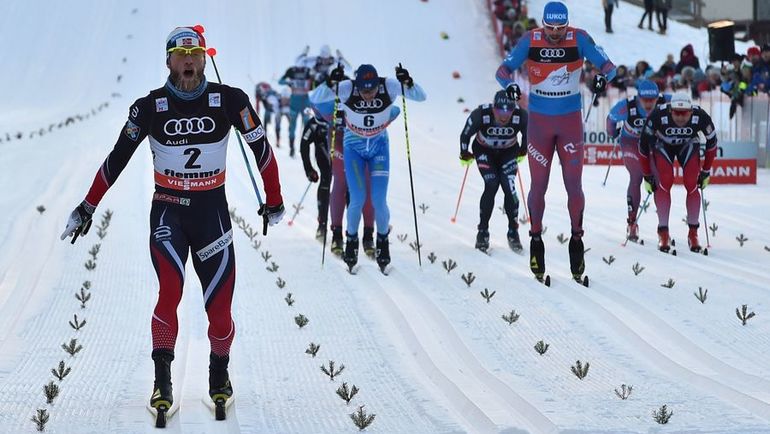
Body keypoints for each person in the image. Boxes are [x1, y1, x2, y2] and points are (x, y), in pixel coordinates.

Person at [59, 26, 284, 416]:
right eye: (180, 54)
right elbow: (117, 158)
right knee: (169, 290)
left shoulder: (229, 99)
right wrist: (87, 205)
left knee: (219, 309)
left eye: (195, 53)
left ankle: (219, 373)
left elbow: (262, 149)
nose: (188, 60)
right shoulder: (148, 107)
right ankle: (162, 378)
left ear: (203, 59)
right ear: (168, 61)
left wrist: (275, 200)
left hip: (212, 214)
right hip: (169, 211)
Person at [495, 1, 617, 283]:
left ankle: (577, 242)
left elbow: (609, 67)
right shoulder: (531, 39)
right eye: (550, 28)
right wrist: (510, 86)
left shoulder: (579, 37)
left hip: (570, 121)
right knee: (540, 186)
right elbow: (503, 71)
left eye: (560, 29)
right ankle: (535, 241)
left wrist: (602, 79)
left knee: (573, 186)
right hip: (539, 121)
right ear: (543, 24)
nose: (555, 34)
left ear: (567, 24)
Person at [310, 63, 426, 271]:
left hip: (378, 148)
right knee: (357, 198)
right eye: (364, 91)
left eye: (371, 90)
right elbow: (316, 98)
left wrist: (408, 82)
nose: (368, 95)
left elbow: (420, 96)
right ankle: (351, 244)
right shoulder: (347, 88)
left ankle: (382, 244)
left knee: (379, 199)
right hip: (353, 148)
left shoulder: (389, 86)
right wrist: (329, 83)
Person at [638, 92, 717, 253]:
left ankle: (693, 233)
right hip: (663, 145)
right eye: (676, 113)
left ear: (691, 111)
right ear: (670, 111)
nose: (680, 118)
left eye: (685, 113)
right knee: (665, 181)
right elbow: (643, 146)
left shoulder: (700, 116)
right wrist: (647, 175)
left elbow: (712, 142)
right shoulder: (658, 115)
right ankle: (663, 232)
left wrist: (706, 171)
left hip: (688, 144)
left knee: (691, 183)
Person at [459, 90, 528, 253]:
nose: (504, 116)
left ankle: (513, 231)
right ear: (493, 108)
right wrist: (464, 153)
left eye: (508, 111)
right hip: (484, 151)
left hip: (508, 152)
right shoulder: (481, 114)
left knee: (509, 188)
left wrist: (523, 151)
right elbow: (465, 135)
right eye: (500, 111)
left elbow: (527, 134)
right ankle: (482, 232)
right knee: (491, 184)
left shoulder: (521, 116)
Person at [310, 99, 376, 256]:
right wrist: (329, 86)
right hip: (339, 140)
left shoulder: (367, 95)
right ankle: (337, 236)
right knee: (341, 182)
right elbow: (314, 102)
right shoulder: (334, 97)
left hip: (363, 143)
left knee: (365, 187)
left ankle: (368, 236)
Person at [606, 80, 667, 242]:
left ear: (657, 97)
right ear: (638, 96)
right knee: (637, 175)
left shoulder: (665, 101)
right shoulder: (627, 106)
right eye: (645, 100)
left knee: (658, 180)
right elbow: (610, 119)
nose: (648, 104)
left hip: (653, 142)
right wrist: (613, 133)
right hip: (630, 142)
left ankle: (663, 228)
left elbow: (685, 106)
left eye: (652, 100)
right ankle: (632, 222)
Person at [278, 61, 314, 157]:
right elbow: (280, 81)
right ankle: (292, 148)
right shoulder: (292, 71)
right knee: (293, 126)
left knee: (306, 125)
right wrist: (288, 82)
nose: (300, 72)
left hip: (304, 102)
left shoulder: (308, 71)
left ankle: (305, 147)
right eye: (298, 69)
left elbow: (314, 83)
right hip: (296, 102)